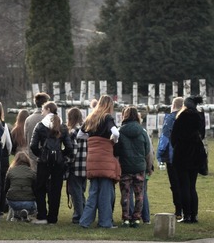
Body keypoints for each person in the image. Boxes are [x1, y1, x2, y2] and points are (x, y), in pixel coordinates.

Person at [79, 95, 120, 229]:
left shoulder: (91, 117)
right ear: (109, 105)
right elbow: (116, 132)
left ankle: (85, 221)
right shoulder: (107, 117)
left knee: (93, 192)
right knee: (105, 193)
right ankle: (105, 222)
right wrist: (113, 140)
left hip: (92, 158)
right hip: (104, 158)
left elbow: (80, 135)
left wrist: (92, 139)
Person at [29, 101, 73, 225]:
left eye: (43, 110)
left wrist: (41, 155)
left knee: (40, 188)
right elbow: (69, 147)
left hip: (44, 162)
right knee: (56, 189)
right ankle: (53, 217)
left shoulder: (40, 125)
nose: (42, 112)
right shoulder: (62, 126)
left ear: (48, 109)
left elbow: (33, 145)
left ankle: (42, 215)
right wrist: (61, 155)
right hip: (58, 162)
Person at [169, 96, 207, 223]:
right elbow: (202, 134)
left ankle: (187, 215)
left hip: (182, 154)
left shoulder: (181, 117)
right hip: (196, 153)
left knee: (183, 186)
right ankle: (194, 214)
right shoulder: (200, 116)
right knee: (192, 186)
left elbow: (173, 136)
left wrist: (178, 146)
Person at [116, 106, 151, 227]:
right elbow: (147, 150)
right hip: (139, 167)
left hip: (125, 167)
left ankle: (126, 218)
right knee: (139, 194)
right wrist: (149, 167)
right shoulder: (142, 131)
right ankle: (136, 218)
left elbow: (116, 150)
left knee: (125, 194)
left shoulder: (120, 131)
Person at [157, 97, 185, 220]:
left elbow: (165, 137)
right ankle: (188, 209)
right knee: (186, 183)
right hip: (186, 155)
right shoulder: (188, 118)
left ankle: (178, 210)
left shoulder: (170, 118)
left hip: (172, 156)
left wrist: (160, 153)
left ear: (173, 105)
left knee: (175, 184)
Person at [65, 107, 87, 224]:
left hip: (76, 166)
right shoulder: (87, 130)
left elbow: (72, 151)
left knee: (76, 192)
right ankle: (83, 213)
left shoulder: (73, 132)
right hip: (86, 166)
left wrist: (67, 161)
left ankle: (79, 216)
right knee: (81, 191)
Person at [5, 151, 37, 221]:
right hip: (29, 202)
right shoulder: (32, 173)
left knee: (13, 196)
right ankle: (27, 212)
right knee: (35, 205)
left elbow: (6, 188)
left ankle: (16, 215)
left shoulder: (11, 172)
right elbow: (36, 189)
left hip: (13, 201)